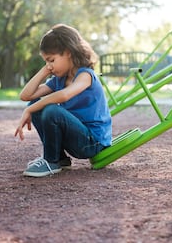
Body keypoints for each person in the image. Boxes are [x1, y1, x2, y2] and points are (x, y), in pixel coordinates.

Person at [14, 24, 112, 177]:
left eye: (51, 60)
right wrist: (45, 69)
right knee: (36, 105)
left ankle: (51, 161)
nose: (49, 66)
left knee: (51, 110)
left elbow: (64, 95)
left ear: (68, 53)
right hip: (76, 137)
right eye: (46, 61)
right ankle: (59, 159)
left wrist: (29, 110)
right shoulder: (59, 80)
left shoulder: (85, 75)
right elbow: (26, 96)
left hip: (93, 142)